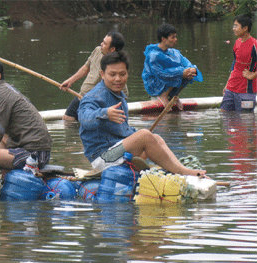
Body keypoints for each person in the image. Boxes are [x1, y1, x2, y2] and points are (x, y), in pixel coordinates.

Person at [78, 51, 206, 177]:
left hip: (117, 151)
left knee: (155, 137)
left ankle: (179, 169)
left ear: (127, 74)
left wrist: (141, 137)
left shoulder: (119, 96)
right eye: (112, 74)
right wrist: (105, 113)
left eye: (122, 74)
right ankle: (182, 172)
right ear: (102, 74)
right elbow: (84, 117)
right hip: (103, 158)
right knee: (144, 135)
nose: (118, 79)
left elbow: (123, 131)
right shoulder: (94, 96)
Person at [60, 31, 126, 121]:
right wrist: (70, 81)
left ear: (112, 49)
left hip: (96, 100)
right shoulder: (98, 50)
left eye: (105, 44)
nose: (101, 44)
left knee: (89, 121)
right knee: (67, 118)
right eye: (103, 42)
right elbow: (86, 67)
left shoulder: (116, 64)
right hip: (83, 95)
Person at [142, 23, 202, 110]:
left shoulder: (175, 52)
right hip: (155, 84)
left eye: (175, 37)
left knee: (189, 73)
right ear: (163, 39)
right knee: (180, 72)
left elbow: (186, 63)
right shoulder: (153, 55)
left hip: (167, 80)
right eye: (172, 37)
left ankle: (174, 94)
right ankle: (164, 95)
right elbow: (160, 74)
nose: (175, 40)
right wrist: (181, 73)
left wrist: (192, 69)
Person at [220, 14, 256, 112]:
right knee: (224, 115)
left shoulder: (254, 45)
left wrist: (253, 75)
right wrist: (227, 84)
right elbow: (235, 64)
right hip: (231, 88)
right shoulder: (237, 42)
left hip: (247, 92)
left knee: (245, 121)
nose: (233, 28)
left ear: (245, 28)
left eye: (236, 26)